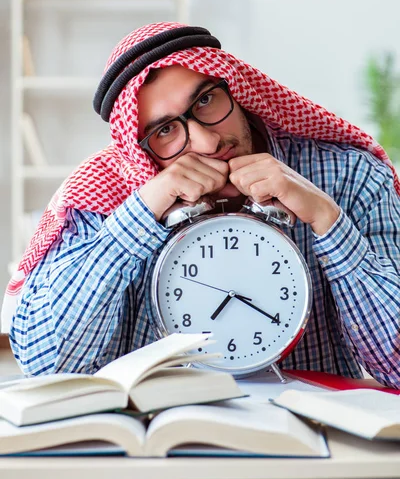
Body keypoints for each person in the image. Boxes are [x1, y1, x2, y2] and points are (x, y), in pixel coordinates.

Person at [3, 22, 400, 387]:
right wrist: (139, 215)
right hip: (159, 450)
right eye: (165, 130)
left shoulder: (351, 177)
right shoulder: (103, 200)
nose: (208, 144)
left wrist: (328, 220)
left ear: (236, 89)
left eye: (207, 100)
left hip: (323, 452)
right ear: (139, 151)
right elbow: (48, 367)